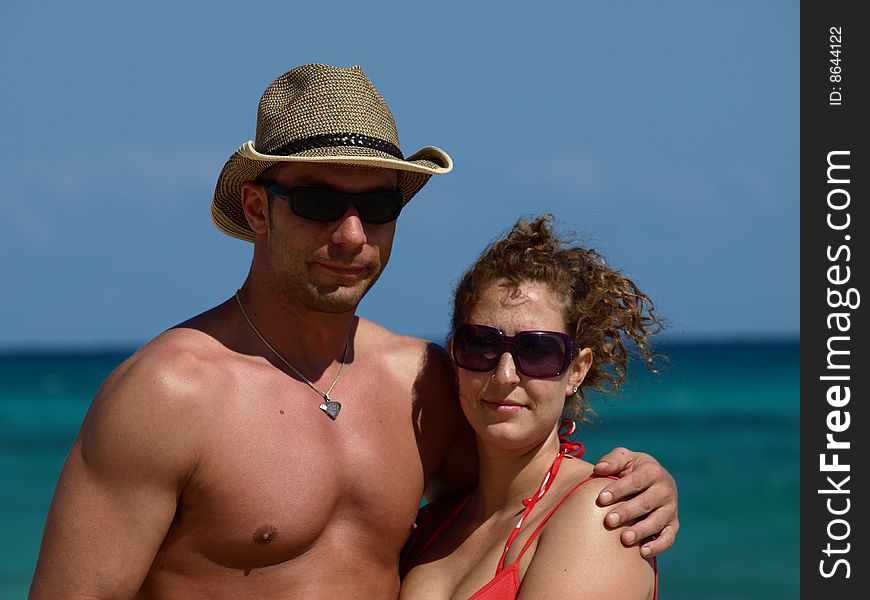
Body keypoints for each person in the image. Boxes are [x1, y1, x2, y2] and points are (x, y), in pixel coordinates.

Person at [29, 64, 678, 599]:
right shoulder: (168, 395)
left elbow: (516, 482)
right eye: (316, 202)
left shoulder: (420, 384)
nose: (349, 235)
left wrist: (640, 482)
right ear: (258, 208)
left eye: (376, 206)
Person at [399, 215, 664, 599]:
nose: (504, 375)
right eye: (480, 346)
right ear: (455, 357)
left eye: (537, 350)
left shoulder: (599, 512)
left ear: (577, 371)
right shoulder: (431, 524)